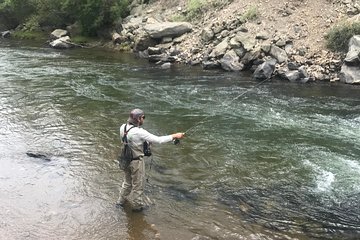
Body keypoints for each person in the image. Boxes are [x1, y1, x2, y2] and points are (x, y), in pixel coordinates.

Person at [116, 108, 185, 211]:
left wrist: (145, 143)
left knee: (127, 182)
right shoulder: (139, 132)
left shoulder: (123, 127)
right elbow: (159, 140)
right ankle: (137, 207)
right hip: (136, 162)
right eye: (143, 117)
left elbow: (130, 141)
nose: (144, 119)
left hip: (125, 159)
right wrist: (175, 135)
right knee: (138, 185)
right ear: (139, 119)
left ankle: (120, 202)